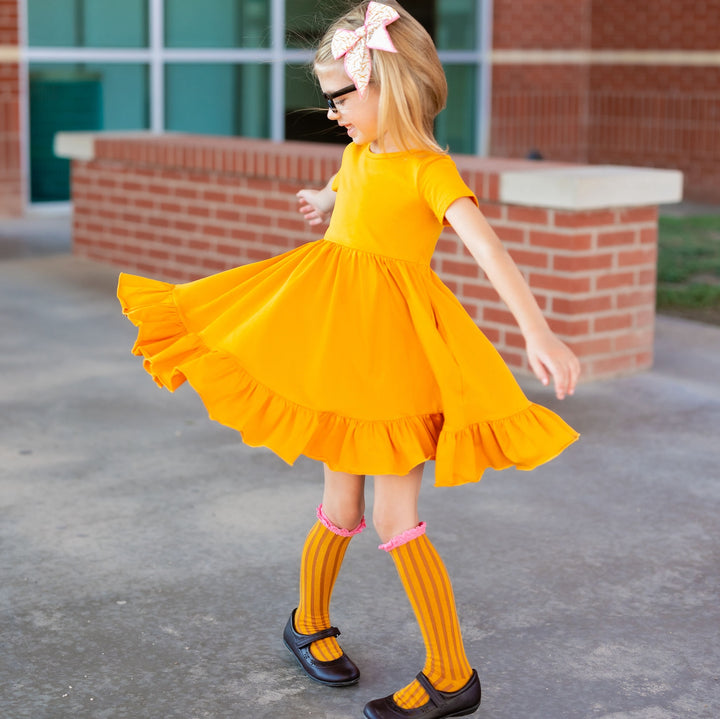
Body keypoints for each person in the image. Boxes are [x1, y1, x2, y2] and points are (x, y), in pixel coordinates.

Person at [117, 2, 580, 717]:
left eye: (341, 96)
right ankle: (307, 622)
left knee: (397, 517)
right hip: (342, 346)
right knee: (341, 502)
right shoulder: (359, 154)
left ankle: (452, 675)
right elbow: (347, 192)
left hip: (393, 358)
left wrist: (538, 333)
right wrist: (321, 198)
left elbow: (489, 251)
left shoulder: (431, 170)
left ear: (387, 86)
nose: (333, 112)